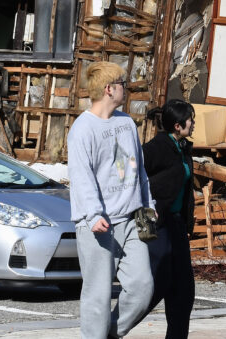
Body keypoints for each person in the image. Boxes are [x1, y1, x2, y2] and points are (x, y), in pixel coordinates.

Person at [67, 61, 155, 339]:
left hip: (130, 221)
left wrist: (148, 204)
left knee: (143, 288)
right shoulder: (82, 129)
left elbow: (138, 169)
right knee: (97, 297)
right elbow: (81, 177)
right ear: (109, 89)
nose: (125, 89)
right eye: (122, 84)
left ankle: (110, 334)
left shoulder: (127, 122)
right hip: (98, 226)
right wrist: (93, 215)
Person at [142, 99, 197, 339]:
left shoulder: (183, 147)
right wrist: (142, 219)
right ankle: (114, 328)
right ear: (177, 125)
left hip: (176, 223)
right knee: (156, 284)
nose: (193, 123)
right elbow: (130, 175)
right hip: (153, 222)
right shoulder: (156, 147)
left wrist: (186, 222)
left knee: (184, 288)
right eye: (190, 119)